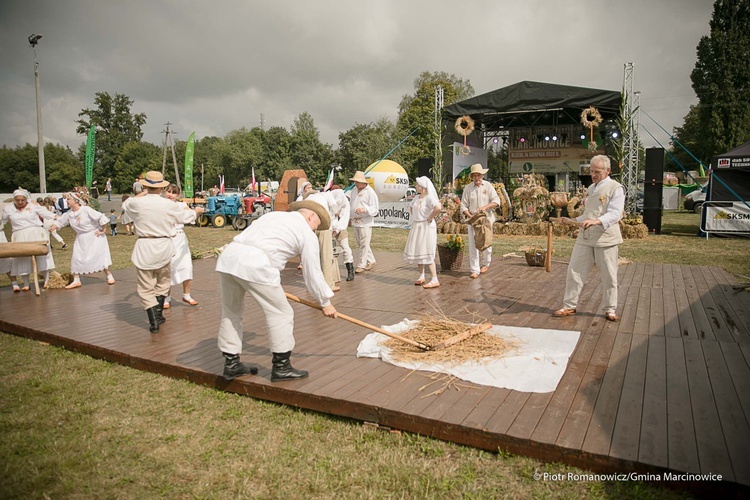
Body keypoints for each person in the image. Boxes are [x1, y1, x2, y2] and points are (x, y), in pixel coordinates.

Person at [216, 200, 337, 382]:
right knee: (281, 313)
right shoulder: (306, 232)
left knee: (231, 312)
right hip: (257, 264)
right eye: (316, 226)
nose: (315, 231)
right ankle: (281, 367)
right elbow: (312, 272)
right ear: (311, 216)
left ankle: (231, 364)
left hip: (229, 258)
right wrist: (325, 302)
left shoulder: (273, 215)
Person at [122, 171, 203, 333]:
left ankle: (154, 320)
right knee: (163, 281)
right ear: (161, 188)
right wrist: (197, 212)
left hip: (145, 246)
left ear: (145, 186)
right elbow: (186, 217)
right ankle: (157, 314)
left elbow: (126, 203)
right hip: (164, 245)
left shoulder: (137, 203)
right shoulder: (168, 205)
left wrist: (145, 192)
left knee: (146, 286)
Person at [552, 154, 625, 322]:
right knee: (574, 271)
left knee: (609, 275)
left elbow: (615, 214)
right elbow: (587, 215)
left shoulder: (616, 188)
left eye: (597, 171)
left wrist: (597, 221)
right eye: (592, 171)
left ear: (608, 171)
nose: (593, 175)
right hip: (586, 238)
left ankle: (610, 309)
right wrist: (570, 221)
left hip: (606, 239)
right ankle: (569, 305)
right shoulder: (591, 188)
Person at [49, 193, 115, 289]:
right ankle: (76, 280)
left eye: (68, 200)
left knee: (99, 257)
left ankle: (109, 275)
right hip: (81, 238)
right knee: (77, 257)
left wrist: (103, 231)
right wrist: (53, 227)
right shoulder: (69, 214)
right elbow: (60, 221)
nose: (66, 201)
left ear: (75, 200)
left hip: (94, 236)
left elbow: (101, 217)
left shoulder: (86, 210)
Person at [1, 189, 56, 290]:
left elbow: (48, 214)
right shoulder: (9, 208)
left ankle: (47, 280)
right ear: (14, 199)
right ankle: (26, 283)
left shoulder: (33, 206)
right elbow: (2, 221)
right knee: (21, 258)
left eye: (22, 200)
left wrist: (60, 218)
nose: (20, 202)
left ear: (26, 199)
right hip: (19, 235)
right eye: (17, 200)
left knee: (42, 257)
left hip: (36, 233)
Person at [460, 163, 500, 279]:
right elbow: (463, 206)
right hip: (473, 220)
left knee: (486, 243)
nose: (477, 178)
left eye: (479, 175)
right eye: (475, 175)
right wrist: (470, 216)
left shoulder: (487, 186)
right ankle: (474, 270)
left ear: (482, 175)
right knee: (473, 244)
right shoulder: (468, 188)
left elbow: (497, 201)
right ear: (472, 177)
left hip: (486, 219)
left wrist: (485, 207)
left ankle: (486, 263)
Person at [162, 184, 199, 308]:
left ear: (177, 195)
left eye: (173, 192)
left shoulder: (181, 205)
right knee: (168, 268)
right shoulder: (161, 205)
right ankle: (166, 297)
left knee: (186, 266)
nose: (170, 194)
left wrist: (192, 210)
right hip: (167, 238)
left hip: (180, 238)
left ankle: (186, 295)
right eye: (168, 191)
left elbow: (191, 216)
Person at [404, 176, 442, 289]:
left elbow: (438, 207)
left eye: (417, 185)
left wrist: (430, 217)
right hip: (417, 225)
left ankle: (435, 278)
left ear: (423, 187)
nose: (416, 186)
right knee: (418, 249)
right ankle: (421, 275)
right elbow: (411, 207)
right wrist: (415, 217)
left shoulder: (429, 198)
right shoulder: (416, 198)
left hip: (426, 226)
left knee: (427, 250)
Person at [348, 171, 379, 273]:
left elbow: (375, 208)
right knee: (360, 243)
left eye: (357, 182)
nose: (356, 184)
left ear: (363, 182)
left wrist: (365, 209)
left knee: (364, 244)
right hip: (356, 220)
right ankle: (371, 260)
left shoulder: (370, 192)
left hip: (365, 221)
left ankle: (362, 264)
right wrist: (349, 218)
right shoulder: (353, 190)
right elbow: (351, 205)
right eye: (355, 182)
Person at [330, 185, 355, 281]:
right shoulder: (328, 200)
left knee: (345, 247)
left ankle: (350, 270)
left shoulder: (345, 203)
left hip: (341, 227)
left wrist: (338, 228)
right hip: (329, 227)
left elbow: (344, 217)